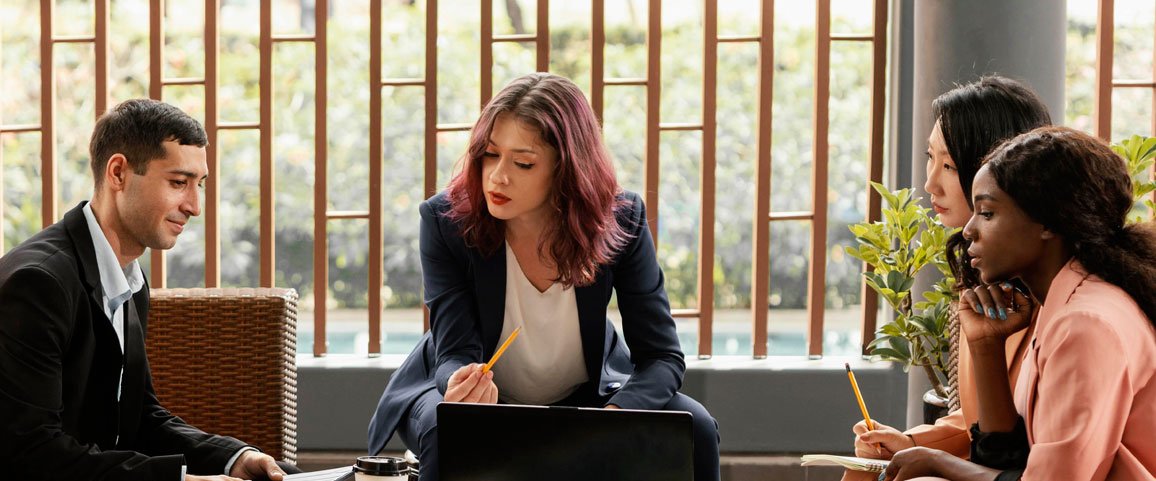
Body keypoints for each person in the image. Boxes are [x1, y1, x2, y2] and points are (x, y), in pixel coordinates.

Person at [367, 72, 721, 480]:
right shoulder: (446, 221)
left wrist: (615, 415)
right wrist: (459, 383)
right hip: (464, 396)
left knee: (695, 428)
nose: (497, 176)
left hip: (592, 397)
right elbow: (453, 351)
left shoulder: (620, 220)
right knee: (448, 430)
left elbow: (661, 357)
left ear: (567, 168)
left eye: (523, 163)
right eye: (489, 154)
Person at [0, 99, 296, 481]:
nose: (194, 206)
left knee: (282, 474)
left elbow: (139, 417)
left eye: (199, 184)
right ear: (119, 173)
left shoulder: (130, 281)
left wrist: (232, 458)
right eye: (179, 183)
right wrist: (181, 480)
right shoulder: (38, 284)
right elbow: (30, 453)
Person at [881, 127, 1156, 480]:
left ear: (1047, 222)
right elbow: (1007, 463)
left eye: (987, 213)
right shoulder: (1060, 305)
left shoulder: (1085, 323)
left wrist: (938, 461)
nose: (968, 230)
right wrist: (986, 346)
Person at [844, 76, 1052, 475]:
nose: (929, 183)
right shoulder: (984, 276)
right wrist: (910, 442)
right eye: (930, 157)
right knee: (862, 467)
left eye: (950, 166)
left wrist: (932, 457)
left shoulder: (1051, 296)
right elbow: (977, 419)